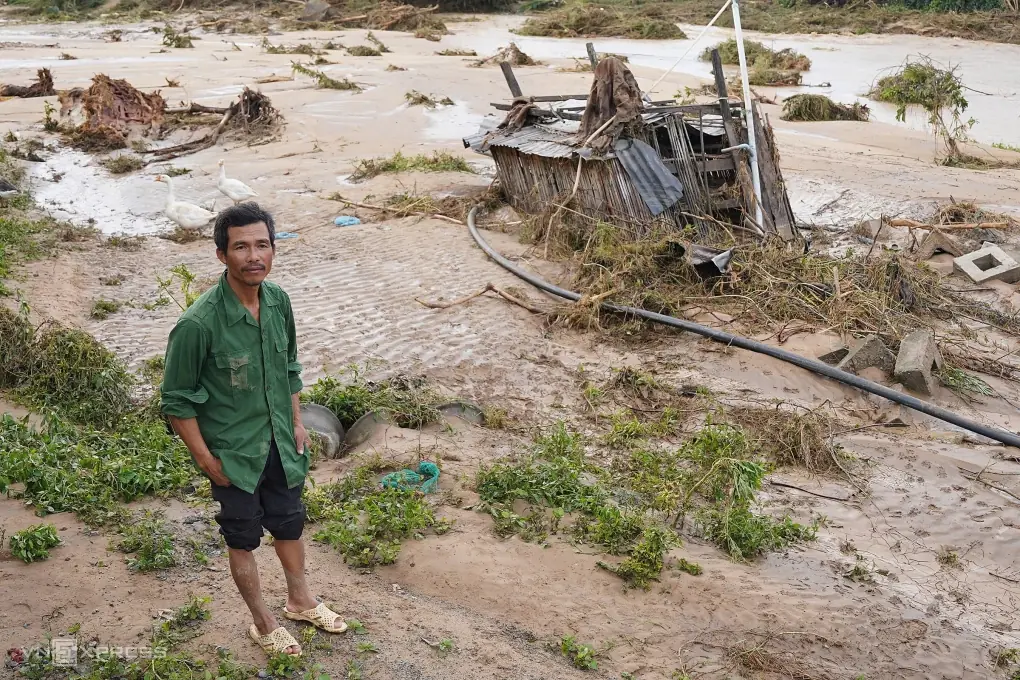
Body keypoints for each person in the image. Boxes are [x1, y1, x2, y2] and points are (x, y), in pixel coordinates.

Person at [160, 203, 345, 658]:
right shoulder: (197, 324)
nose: (253, 255)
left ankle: (300, 601)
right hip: (233, 455)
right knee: (242, 536)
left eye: (262, 244)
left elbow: (289, 368)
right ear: (222, 255)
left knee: (289, 524)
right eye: (241, 246)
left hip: (281, 443)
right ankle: (262, 622)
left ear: (274, 250)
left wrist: (298, 423)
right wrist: (207, 461)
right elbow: (176, 402)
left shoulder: (278, 301)